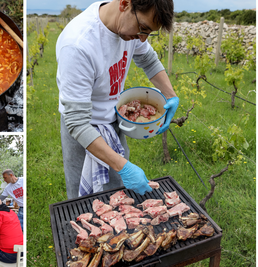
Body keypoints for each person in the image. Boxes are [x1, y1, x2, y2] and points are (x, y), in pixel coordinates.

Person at [56, 0, 178, 199]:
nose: (142, 38)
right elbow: (77, 123)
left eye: (148, 33)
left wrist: (171, 96)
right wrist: (124, 167)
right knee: (83, 201)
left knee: (119, 194)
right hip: (82, 131)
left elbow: (147, 58)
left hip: (113, 122)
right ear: (124, 4)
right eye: (143, 29)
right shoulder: (78, 45)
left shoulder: (128, 28)